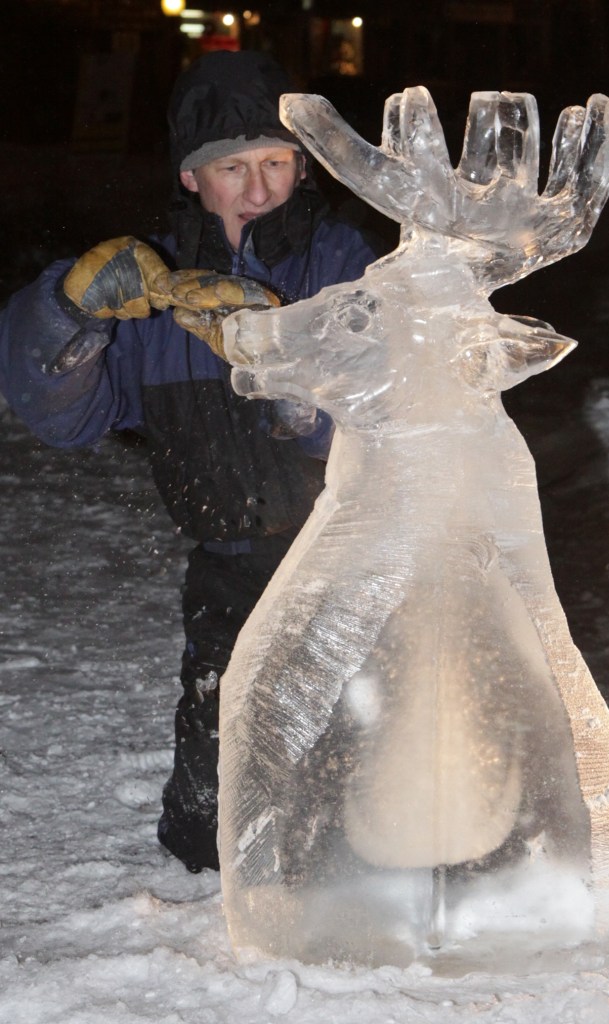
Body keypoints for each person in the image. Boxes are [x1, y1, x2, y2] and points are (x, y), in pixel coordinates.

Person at [0, 51, 377, 873]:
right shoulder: (154, 285)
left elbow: (380, 411)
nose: (259, 189)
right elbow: (64, 417)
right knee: (215, 808)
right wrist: (69, 313)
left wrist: (280, 362)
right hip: (230, 563)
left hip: (354, 558)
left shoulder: (343, 260)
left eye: (277, 162)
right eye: (232, 167)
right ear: (190, 176)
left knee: (364, 780)